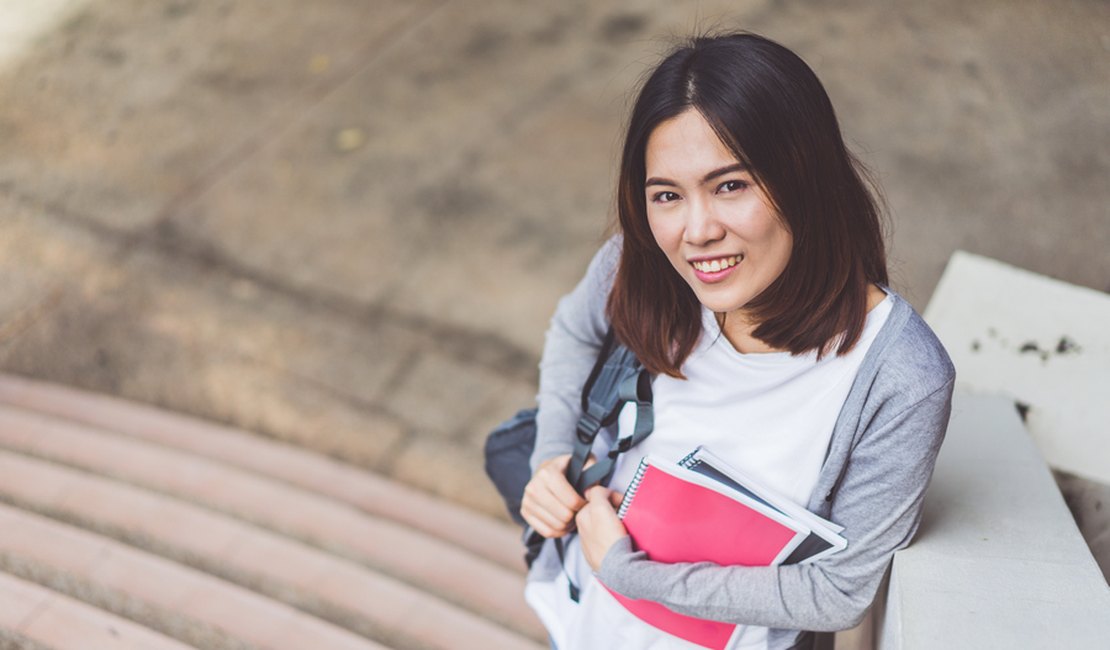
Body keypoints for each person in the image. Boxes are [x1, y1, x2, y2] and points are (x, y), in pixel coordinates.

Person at [518, 32, 955, 650]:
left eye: (731, 186)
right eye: (667, 196)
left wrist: (628, 573)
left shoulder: (899, 377)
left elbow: (837, 590)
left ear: (806, 179)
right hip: (584, 616)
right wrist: (551, 455)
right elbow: (572, 329)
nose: (697, 231)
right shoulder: (640, 264)